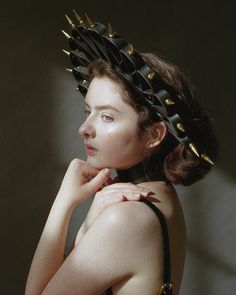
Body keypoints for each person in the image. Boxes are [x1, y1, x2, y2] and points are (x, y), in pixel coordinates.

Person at [25, 12, 218, 295]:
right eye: (88, 112)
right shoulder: (159, 197)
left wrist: (63, 204)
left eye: (107, 117)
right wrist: (89, 223)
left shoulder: (126, 219)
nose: (84, 129)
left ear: (154, 135)